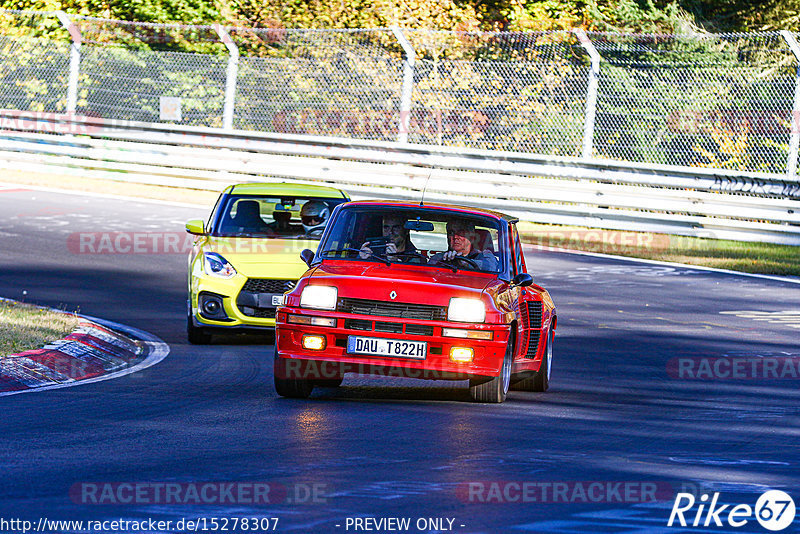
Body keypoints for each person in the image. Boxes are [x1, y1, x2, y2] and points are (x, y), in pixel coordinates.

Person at [429, 219, 498, 271]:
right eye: (451, 233)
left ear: (472, 237)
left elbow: (490, 268)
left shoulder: (484, 256)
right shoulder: (439, 258)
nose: (455, 236)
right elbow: (428, 272)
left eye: (460, 232)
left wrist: (463, 263)